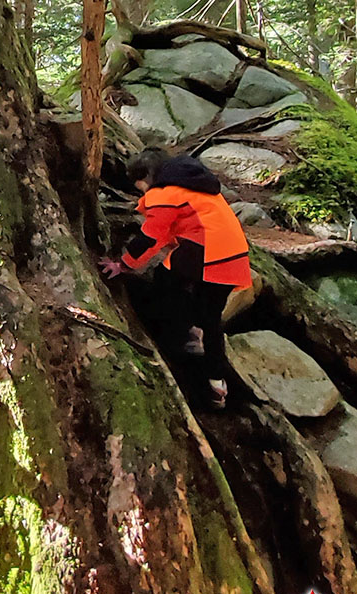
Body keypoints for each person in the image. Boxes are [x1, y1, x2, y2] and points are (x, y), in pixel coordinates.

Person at [100, 150, 251, 409]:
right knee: (211, 319)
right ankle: (217, 384)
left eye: (141, 188)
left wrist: (123, 265)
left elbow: (151, 237)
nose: (142, 195)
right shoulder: (199, 188)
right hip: (234, 257)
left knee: (164, 279)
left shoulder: (165, 194)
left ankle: (180, 337)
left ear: (147, 178)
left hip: (207, 255)